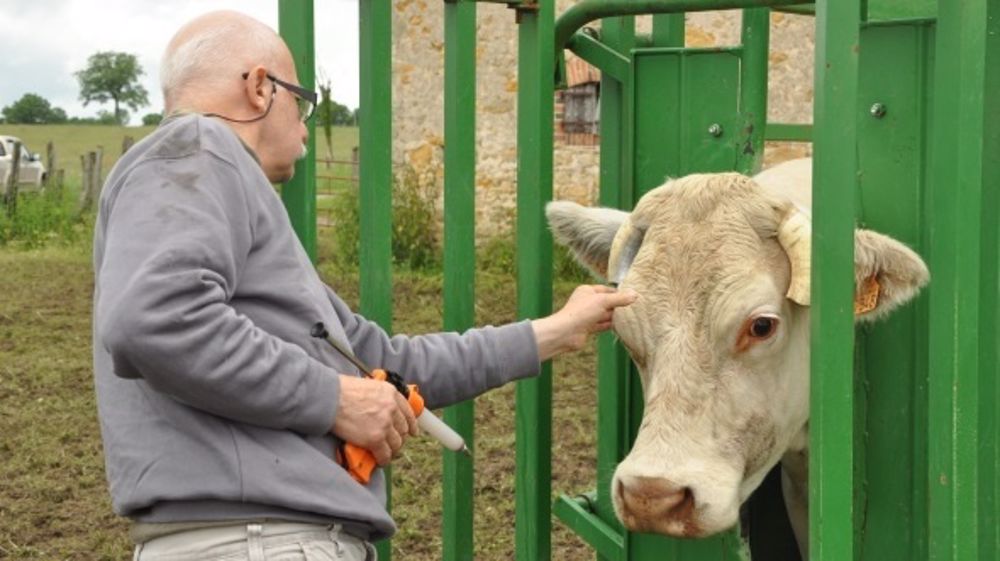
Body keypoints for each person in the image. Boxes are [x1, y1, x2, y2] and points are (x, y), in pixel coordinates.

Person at [92, 10, 636, 561]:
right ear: (260, 88)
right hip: (257, 543)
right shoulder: (198, 149)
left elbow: (383, 363)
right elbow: (153, 319)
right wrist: (332, 399)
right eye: (301, 104)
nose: (305, 129)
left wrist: (552, 332)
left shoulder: (227, 194)